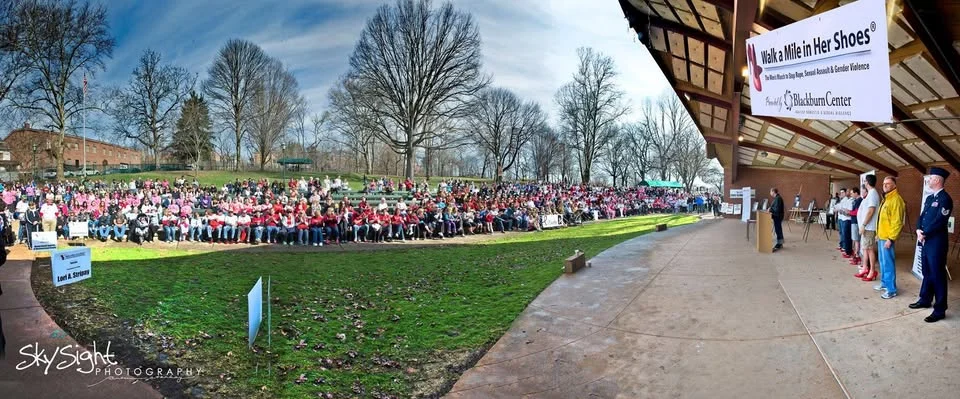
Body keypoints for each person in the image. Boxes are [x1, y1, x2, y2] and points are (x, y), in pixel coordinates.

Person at [911, 167, 953, 323]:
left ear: (937, 180)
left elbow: (940, 221)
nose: (928, 180)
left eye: (930, 178)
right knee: (927, 272)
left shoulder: (945, 199)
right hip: (925, 240)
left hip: (936, 243)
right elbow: (922, 217)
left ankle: (940, 309)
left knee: (938, 275)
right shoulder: (929, 198)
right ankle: (925, 299)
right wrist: (917, 229)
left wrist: (924, 232)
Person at [875, 176, 905, 299]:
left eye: (888, 183)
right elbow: (882, 220)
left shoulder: (896, 200)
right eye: (883, 183)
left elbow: (897, 222)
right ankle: (884, 283)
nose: (885, 185)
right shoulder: (886, 199)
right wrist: (878, 234)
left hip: (888, 238)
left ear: (894, 185)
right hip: (882, 236)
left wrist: (891, 238)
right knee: (882, 262)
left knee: (888, 264)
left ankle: (891, 289)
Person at [857, 176, 880, 281]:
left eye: (865, 181)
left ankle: (872, 271)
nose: (864, 182)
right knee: (865, 249)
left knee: (870, 249)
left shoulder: (873, 194)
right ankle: (865, 268)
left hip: (869, 228)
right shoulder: (871, 193)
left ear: (867, 182)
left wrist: (864, 225)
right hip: (866, 227)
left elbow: (871, 211)